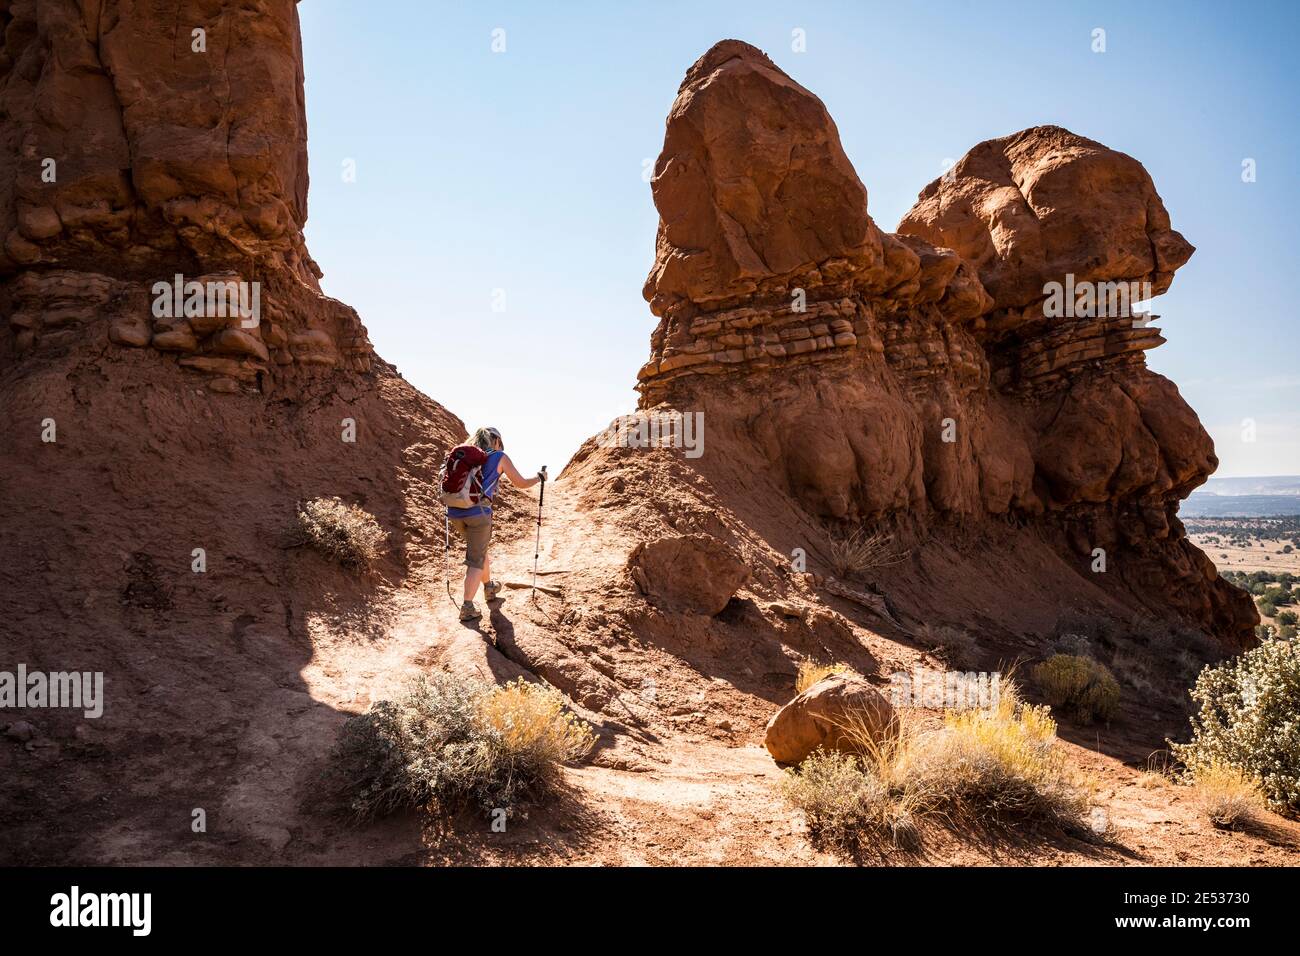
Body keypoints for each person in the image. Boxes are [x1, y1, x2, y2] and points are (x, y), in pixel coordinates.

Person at [447, 426, 545, 622]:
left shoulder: (465, 456)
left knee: (479, 551)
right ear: (497, 441)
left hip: (455, 512)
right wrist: (539, 478)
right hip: (479, 513)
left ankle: (489, 587)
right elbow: (521, 483)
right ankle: (467, 606)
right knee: (475, 560)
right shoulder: (499, 456)